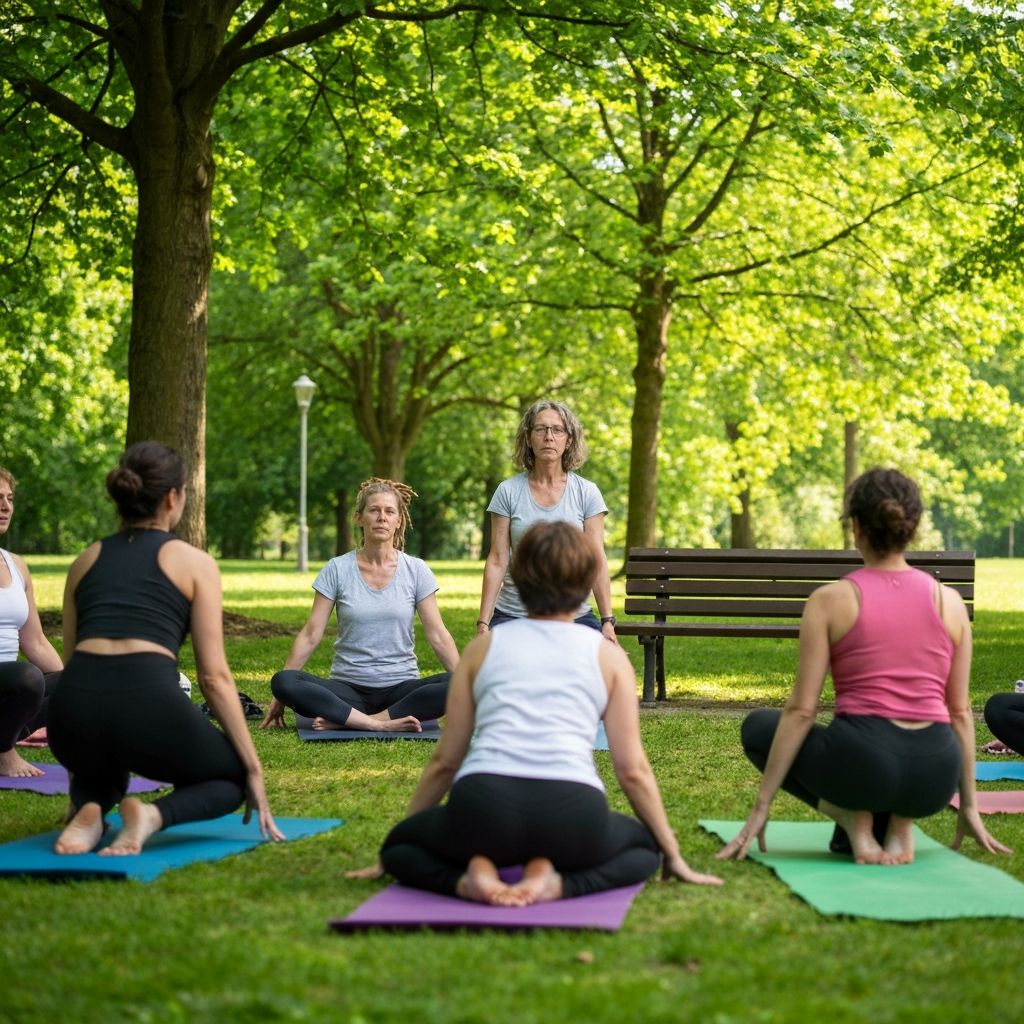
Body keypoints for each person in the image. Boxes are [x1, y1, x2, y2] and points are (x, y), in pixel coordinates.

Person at [369, 521, 722, 905]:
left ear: (519, 579)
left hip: (482, 808)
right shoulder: (609, 658)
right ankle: (556, 885)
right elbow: (632, 770)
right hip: (571, 813)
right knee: (642, 850)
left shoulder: (481, 649)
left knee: (400, 851)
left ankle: (470, 879)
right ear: (587, 580)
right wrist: (671, 854)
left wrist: (397, 840)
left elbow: (445, 761)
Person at [718, 468, 1011, 867]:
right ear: (913, 527)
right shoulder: (951, 603)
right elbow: (959, 712)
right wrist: (970, 807)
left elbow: (802, 711)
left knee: (758, 728)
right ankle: (900, 824)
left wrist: (760, 808)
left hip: (860, 765)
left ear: (855, 527)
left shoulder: (830, 600)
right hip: (934, 779)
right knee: (897, 766)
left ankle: (855, 820)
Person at [48, 442, 284, 855]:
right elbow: (213, 677)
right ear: (174, 498)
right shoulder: (195, 562)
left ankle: (90, 806)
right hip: (145, 706)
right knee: (230, 779)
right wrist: (253, 768)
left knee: (105, 741)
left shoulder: (84, 560)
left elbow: (71, 662)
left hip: (72, 716)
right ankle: (152, 816)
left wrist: (77, 771)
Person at [260, 478, 459, 734]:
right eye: (374, 510)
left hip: (401, 690)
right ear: (359, 518)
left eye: (390, 512)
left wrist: (467, 686)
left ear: (399, 520)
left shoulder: (416, 570)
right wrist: (281, 696)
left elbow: (439, 635)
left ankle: (357, 721)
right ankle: (376, 723)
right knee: (283, 681)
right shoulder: (337, 568)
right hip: (347, 691)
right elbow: (311, 633)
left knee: (459, 682)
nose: (382, 518)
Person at [476, 399, 619, 644]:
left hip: (573, 615)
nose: (549, 437)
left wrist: (607, 621)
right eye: (540, 429)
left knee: (603, 669)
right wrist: (483, 623)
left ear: (569, 440)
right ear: (529, 438)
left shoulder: (587, 492)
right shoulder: (507, 491)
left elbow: (596, 557)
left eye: (557, 430)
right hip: (513, 613)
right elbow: (498, 559)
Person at [0, 467, 63, 777]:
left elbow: (35, 642)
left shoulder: (17, 566)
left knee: (85, 678)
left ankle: (4, 737)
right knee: (27, 678)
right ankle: (5, 754)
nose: (5, 506)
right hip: (14, 682)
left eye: (9, 498)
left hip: (10, 691)